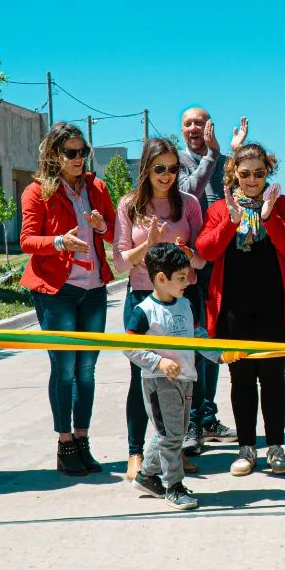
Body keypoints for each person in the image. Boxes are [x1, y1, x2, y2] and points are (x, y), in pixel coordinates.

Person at [196, 143, 285, 476]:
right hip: (233, 309)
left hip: (274, 307)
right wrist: (230, 222)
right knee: (240, 378)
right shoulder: (220, 209)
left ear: (267, 172)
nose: (253, 180)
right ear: (235, 175)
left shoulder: (283, 205)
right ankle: (246, 447)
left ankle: (275, 447)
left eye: (259, 173)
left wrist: (269, 218)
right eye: (245, 174)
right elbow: (207, 251)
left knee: (273, 379)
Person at [19, 122, 117, 476]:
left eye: (83, 152)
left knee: (86, 370)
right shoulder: (37, 192)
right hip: (56, 291)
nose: (79, 159)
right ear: (54, 155)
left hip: (93, 288)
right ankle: (64, 444)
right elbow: (27, 240)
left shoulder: (97, 187)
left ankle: (82, 440)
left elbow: (114, 232)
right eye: (71, 153)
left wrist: (102, 227)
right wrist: (59, 241)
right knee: (63, 369)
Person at [114, 137, 206, 480]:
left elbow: (202, 258)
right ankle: (137, 452)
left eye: (173, 168)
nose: (167, 175)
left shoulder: (190, 204)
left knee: (183, 373)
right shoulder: (129, 205)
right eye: (159, 169)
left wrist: (186, 252)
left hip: (184, 298)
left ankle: (172, 450)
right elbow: (120, 262)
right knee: (143, 375)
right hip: (142, 297)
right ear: (146, 169)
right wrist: (147, 247)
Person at [124, 243, 225, 511]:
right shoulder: (144, 311)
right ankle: (174, 486)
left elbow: (198, 336)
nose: (187, 282)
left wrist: (220, 355)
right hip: (159, 383)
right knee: (170, 436)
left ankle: (146, 475)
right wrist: (159, 362)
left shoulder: (185, 304)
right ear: (160, 278)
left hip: (185, 380)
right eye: (181, 278)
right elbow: (128, 346)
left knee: (173, 433)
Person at [177, 106, 241, 446]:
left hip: (222, 262)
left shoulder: (226, 162)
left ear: (210, 126)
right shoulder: (177, 163)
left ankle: (208, 416)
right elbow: (192, 190)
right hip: (189, 265)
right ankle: (191, 421)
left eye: (199, 122)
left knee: (213, 342)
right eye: (187, 123)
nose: (193, 128)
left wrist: (231, 152)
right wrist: (214, 155)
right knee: (192, 343)